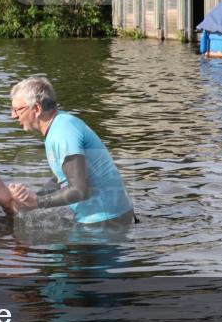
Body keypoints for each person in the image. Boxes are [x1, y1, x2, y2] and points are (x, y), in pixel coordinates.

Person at [7, 76, 134, 226]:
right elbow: (62, 178)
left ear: (36, 109)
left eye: (17, 110)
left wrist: (36, 202)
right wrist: (32, 197)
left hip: (106, 222)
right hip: (112, 216)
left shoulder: (62, 132)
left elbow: (79, 190)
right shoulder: (61, 124)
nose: (13, 116)